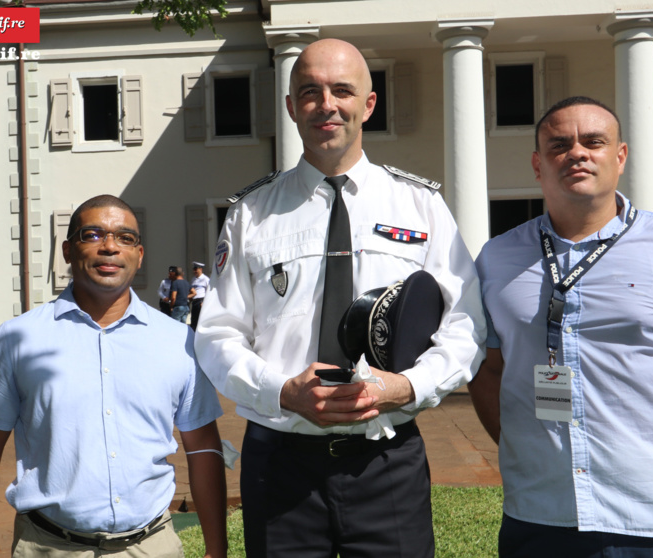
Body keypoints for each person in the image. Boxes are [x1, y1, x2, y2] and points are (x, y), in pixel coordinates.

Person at [196, 38, 484, 557]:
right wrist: (282, 390)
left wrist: (406, 387)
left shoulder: (421, 207)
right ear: (291, 107)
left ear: (368, 105)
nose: (326, 104)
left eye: (342, 91)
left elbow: (464, 326)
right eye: (309, 92)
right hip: (280, 462)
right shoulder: (251, 215)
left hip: (386, 461)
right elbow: (217, 335)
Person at [470, 96, 653, 557]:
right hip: (543, 515)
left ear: (619, 156)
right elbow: (487, 370)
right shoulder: (497, 259)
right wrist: (527, 450)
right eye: (559, 145)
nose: (577, 153)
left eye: (594, 142)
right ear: (537, 164)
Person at [0, 195, 227, 558]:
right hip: (49, 547)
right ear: (68, 250)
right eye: (93, 234)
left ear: (140, 254)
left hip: (153, 547)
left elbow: (204, 447)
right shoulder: (18, 339)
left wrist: (217, 548)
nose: (110, 246)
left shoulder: (179, 341)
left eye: (125, 237)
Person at [189, 261, 210, 331]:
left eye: (196, 269)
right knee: (193, 321)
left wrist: (204, 302)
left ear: (200, 269)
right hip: (194, 302)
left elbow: (209, 292)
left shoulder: (205, 279)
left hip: (201, 301)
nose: (194, 271)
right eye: (193, 269)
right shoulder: (193, 279)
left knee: (200, 321)